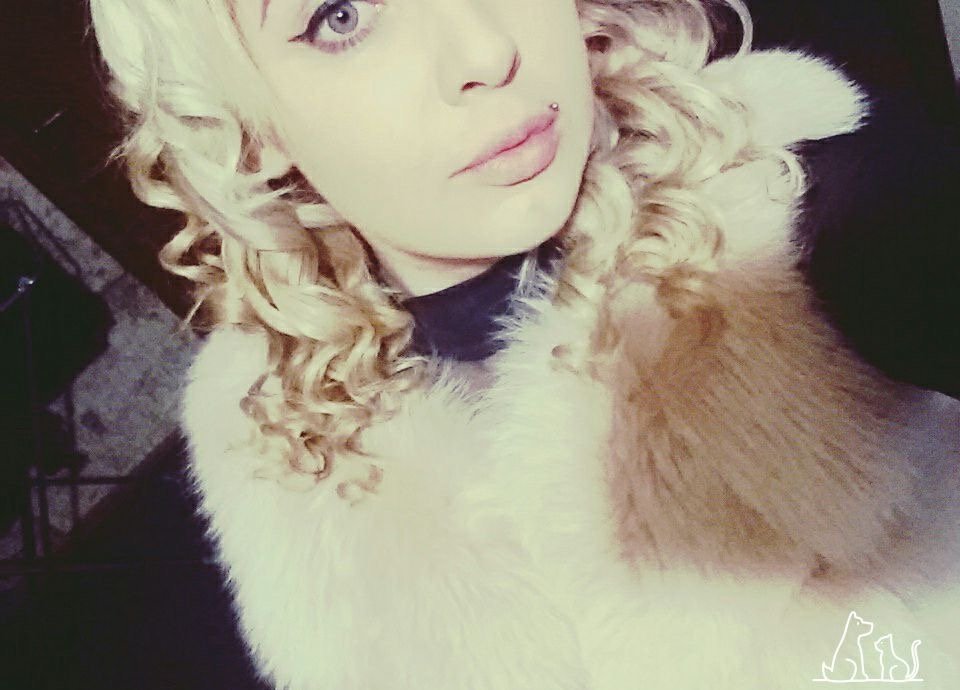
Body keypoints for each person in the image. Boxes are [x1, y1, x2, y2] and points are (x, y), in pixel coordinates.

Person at [89, 0, 960, 688]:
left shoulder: (788, 202)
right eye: (341, 13)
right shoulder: (270, 469)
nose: (484, 50)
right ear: (245, 130)